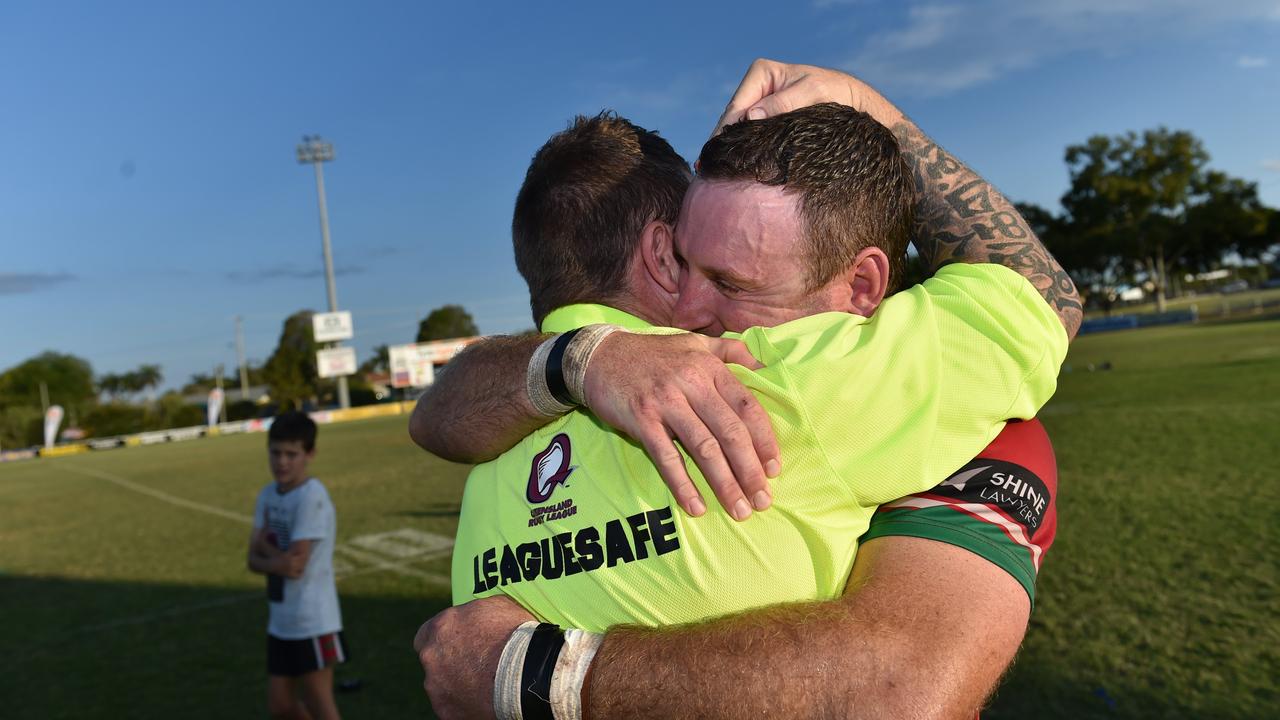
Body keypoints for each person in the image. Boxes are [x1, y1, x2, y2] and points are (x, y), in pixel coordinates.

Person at [413, 61, 1080, 719]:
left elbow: (437, 413)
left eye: (730, 280)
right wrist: (872, 108)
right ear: (660, 251)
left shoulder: (487, 448)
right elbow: (1036, 297)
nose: (702, 311)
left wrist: (527, 675)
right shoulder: (775, 375)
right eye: (690, 260)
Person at [247, 411, 345, 720]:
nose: (282, 462)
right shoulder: (267, 494)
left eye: (292, 454)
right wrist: (272, 558)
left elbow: (295, 566)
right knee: (281, 705)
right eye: (276, 452)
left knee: (320, 704)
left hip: (312, 619)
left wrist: (265, 549)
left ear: (310, 454)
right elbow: (251, 561)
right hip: (281, 620)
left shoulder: (311, 496)